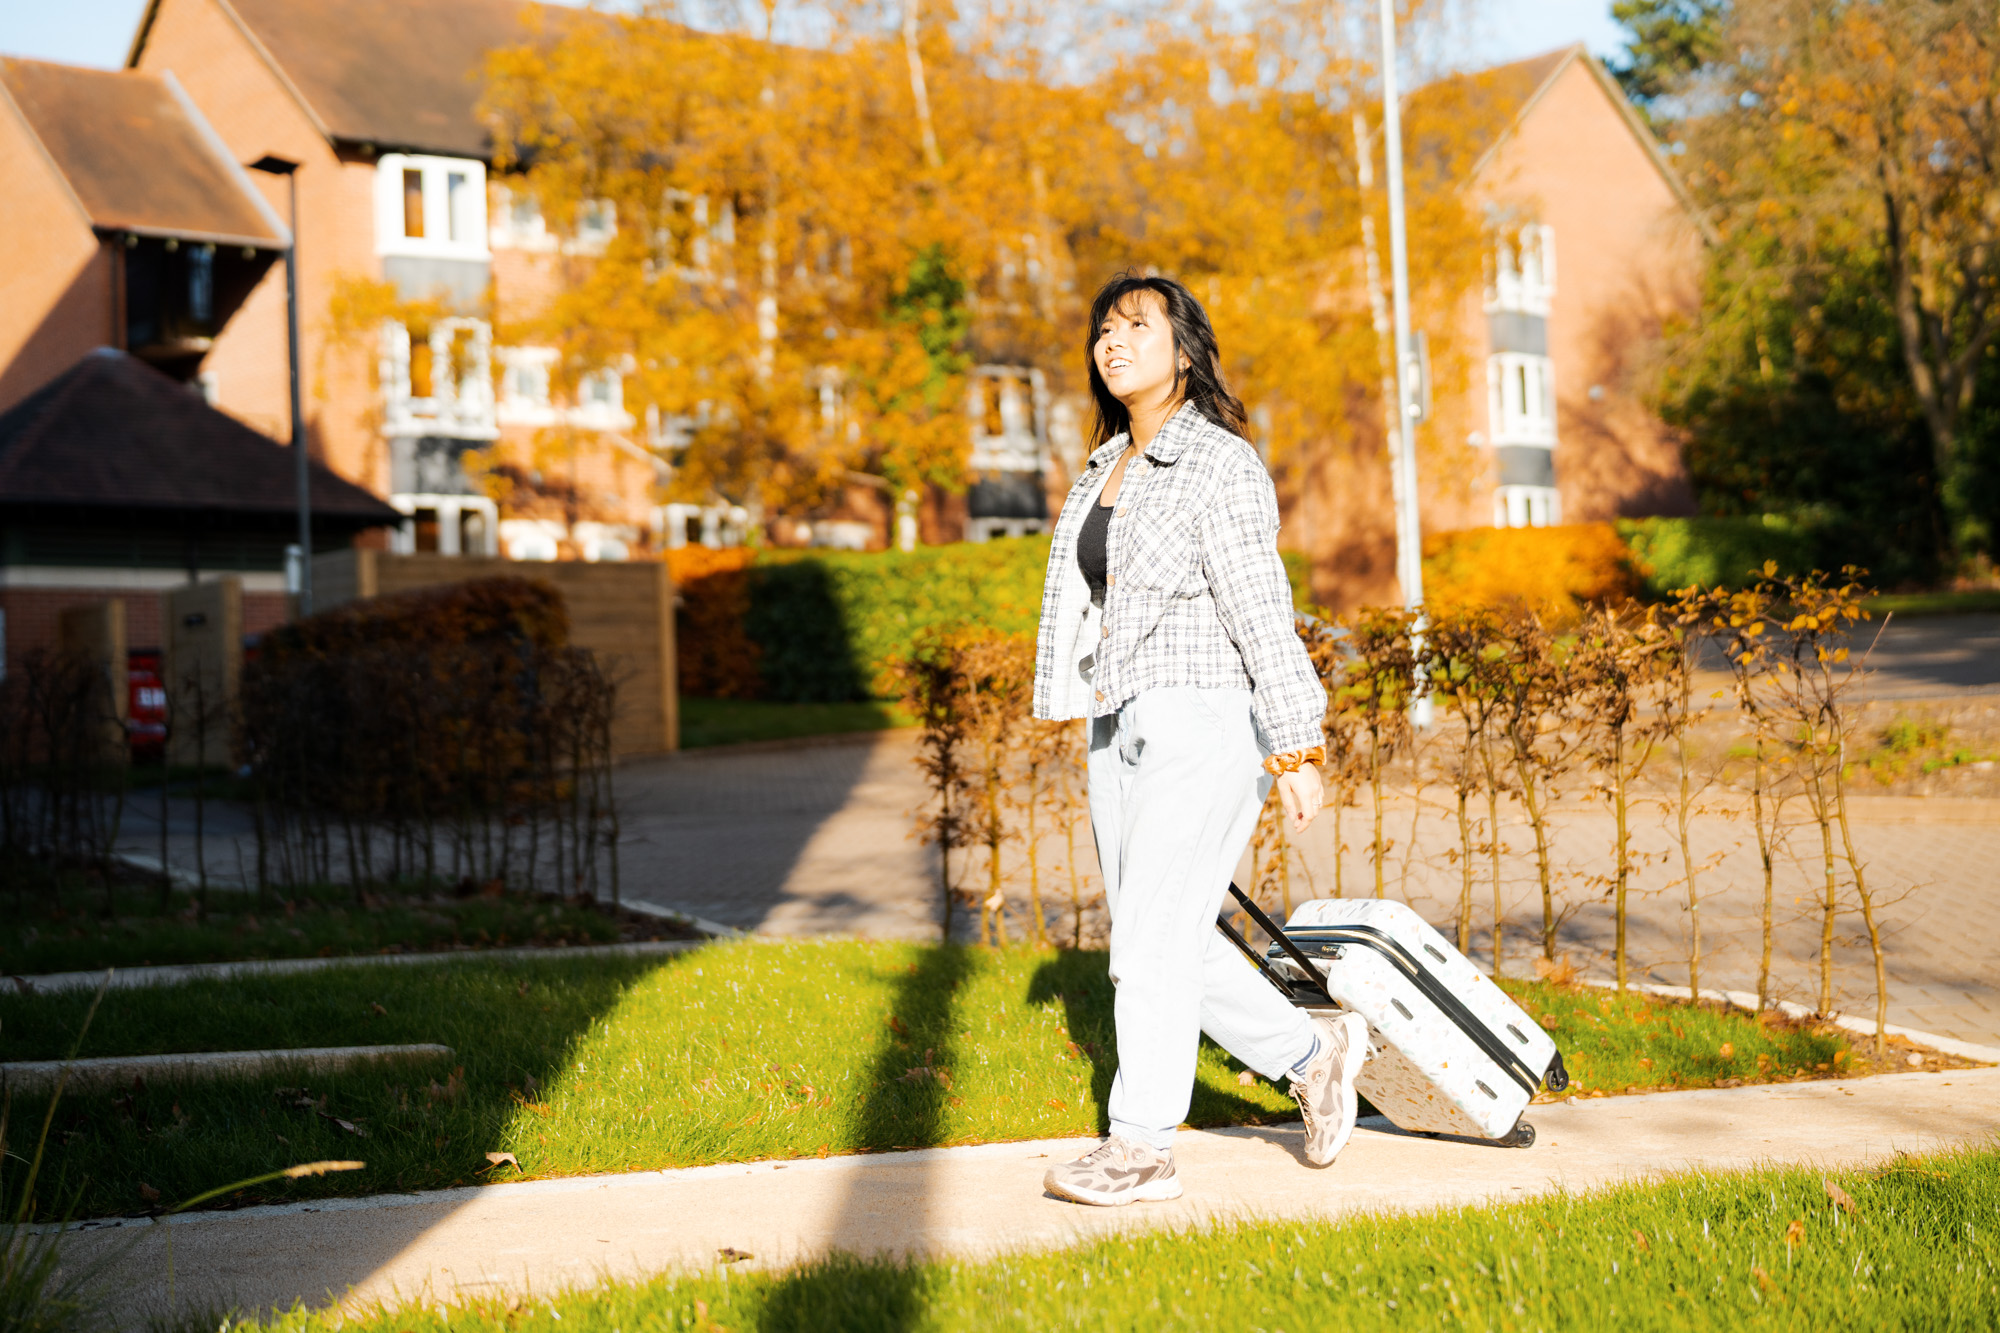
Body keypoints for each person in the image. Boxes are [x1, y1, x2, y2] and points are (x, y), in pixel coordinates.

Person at [1033, 273, 1368, 1207]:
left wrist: (1296, 746)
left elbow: (1262, 608)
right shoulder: (1105, 468)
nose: (1112, 342)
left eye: (1136, 326)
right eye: (1104, 329)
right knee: (1165, 932)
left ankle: (1140, 1146)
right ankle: (1312, 1052)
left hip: (1206, 715)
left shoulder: (1220, 464)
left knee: (1146, 941)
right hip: (1119, 716)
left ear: (1184, 352)